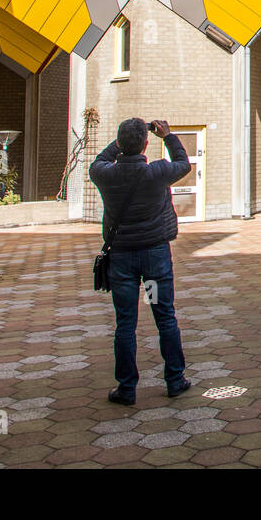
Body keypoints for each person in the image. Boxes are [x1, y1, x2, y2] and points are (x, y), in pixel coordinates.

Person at [90, 118, 192, 406]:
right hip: (154, 258)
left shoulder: (106, 174)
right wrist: (168, 136)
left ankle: (126, 387)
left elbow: (99, 160)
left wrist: (121, 143)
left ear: (120, 144)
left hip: (121, 258)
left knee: (125, 323)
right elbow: (183, 163)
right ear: (147, 144)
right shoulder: (157, 173)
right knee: (164, 317)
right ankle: (174, 380)